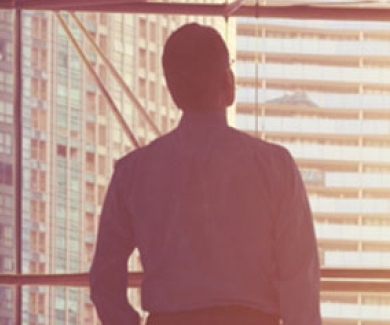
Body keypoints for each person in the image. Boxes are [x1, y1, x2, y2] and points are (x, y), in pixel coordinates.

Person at [90, 23, 321, 325]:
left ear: (172, 90)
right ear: (228, 82)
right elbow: (299, 281)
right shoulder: (274, 166)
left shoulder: (133, 172)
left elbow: (105, 280)